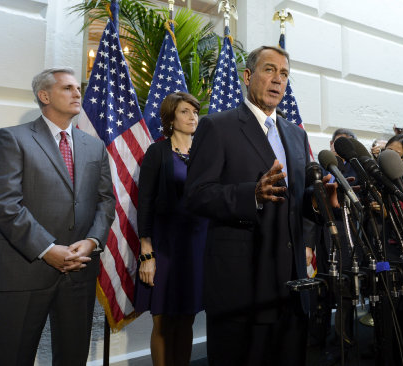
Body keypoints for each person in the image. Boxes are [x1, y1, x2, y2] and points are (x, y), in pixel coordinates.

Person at [185, 46, 328, 366]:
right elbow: (196, 195)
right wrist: (251, 195)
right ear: (248, 76)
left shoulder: (294, 134)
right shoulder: (216, 126)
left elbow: (297, 200)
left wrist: (319, 204)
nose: (278, 79)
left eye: (284, 73)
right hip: (242, 285)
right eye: (269, 70)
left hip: (291, 285)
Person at [0, 68, 116, 365]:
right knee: (12, 357)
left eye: (77, 88)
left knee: (72, 358)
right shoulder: (12, 139)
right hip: (24, 269)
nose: (76, 92)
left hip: (80, 271)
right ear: (44, 96)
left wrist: (93, 241)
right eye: (67, 88)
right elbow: (4, 203)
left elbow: (106, 201)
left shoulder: (93, 146)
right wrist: (47, 249)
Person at [135, 92, 207, 366]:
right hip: (164, 246)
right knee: (163, 320)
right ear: (170, 118)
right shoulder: (158, 152)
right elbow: (145, 203)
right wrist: (146, 252)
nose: (193, 118)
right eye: (185, 112)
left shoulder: (204, 153)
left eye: (195, 112)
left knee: (187, 317)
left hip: (196, 246)